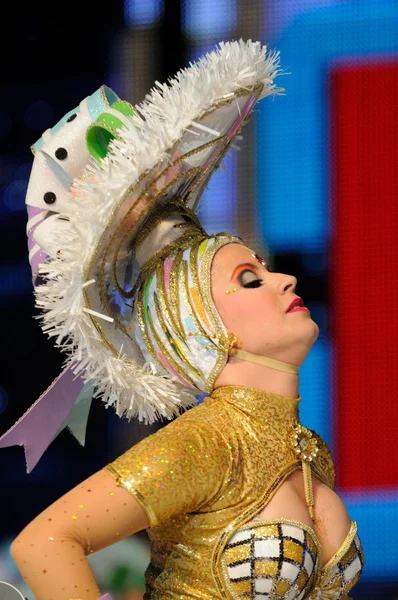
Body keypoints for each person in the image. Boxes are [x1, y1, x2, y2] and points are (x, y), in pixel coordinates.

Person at [8, 41, 363, 600]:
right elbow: (45, 542)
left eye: (266, 271)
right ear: (197, 323)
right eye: (250, 278)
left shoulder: (309, 448)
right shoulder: (205, 443)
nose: (285, 281)